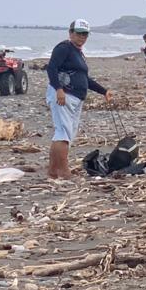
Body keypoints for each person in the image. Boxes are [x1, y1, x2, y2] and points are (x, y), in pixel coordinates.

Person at [45, 19, 112, 180]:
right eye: (79, 33)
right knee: (63, 133)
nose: (82, 37)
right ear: (71, 33)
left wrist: (103, 91)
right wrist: (59, 89)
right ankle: (64, 171)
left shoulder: (78, 52)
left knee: (64, 133)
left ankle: (53, 171)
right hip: (64, 95)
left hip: (75, 97)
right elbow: (51, 68)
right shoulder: (64, 48)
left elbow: (84, 78)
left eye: (85, 34)